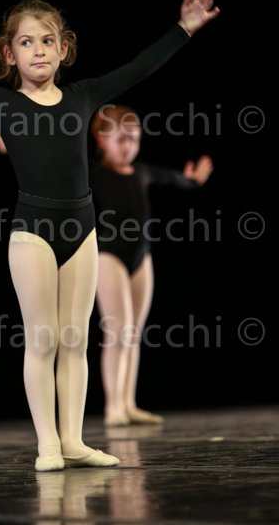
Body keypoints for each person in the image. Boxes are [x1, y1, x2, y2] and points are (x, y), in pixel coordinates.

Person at [0, 0, 219, 470]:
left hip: (82, 230)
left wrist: (184, 28)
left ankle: (74, 440)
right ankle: (48, 445)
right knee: (43, 339)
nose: (37, 50)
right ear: (9, 54)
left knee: (75, 340)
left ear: (63, 50)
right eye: (26, 42)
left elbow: (139, 67)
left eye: (47, 41)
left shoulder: (84, 95)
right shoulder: (0, 103)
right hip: (32, 233)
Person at [89, 105, 214, 426]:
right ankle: (113, 406)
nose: (128, 146)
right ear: (101, 140)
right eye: (121, 139)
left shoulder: (142, 172)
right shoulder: (95, 173)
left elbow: (173, 178)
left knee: (134, 333)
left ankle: (128, 403)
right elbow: (60, 166)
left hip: (141, 257)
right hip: (110, 256)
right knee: (118, 330)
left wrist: (193, 181)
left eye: (134, 139)